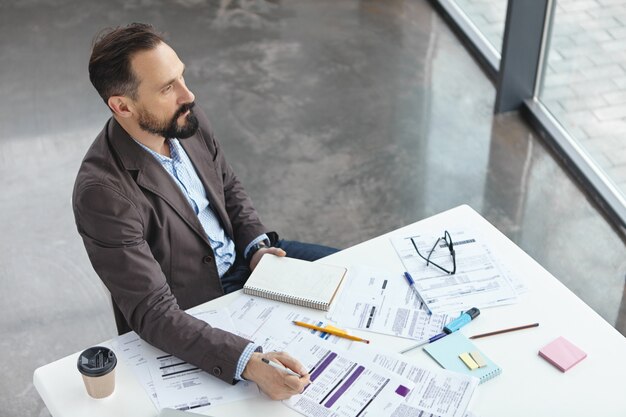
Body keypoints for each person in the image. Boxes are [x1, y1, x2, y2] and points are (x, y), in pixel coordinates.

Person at [72, 23, 338, 400]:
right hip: (195, 305)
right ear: (122, 106)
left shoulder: (182, 120)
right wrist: (247, 362)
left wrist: (256, 247)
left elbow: (228, 188)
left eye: (181, 76)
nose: (188, 94)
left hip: (247, 262)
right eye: (167, 87)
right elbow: (153, 312)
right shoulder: (101, 194)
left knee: (356, 278)